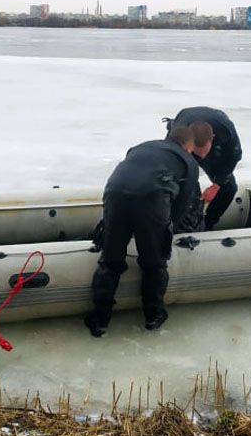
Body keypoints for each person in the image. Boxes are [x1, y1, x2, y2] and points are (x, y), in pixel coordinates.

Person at [85, 123, 213, 337]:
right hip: (152, 200)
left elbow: (128, 175)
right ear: (188, 146)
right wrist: (159, 232)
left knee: (110, 260)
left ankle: (100, 319)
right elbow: (179, 207)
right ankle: (154, 315)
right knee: (154, 263)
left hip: (115, 192)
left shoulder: (140, 147)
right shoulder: (189, 163)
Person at [165, 106, 242, 231]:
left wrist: (217, 185)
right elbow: (168, 158)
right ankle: (173, 224)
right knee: (185, 187)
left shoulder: (225, 131)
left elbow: (234, 156)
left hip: (215, 152)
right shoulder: (178, 134)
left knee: (229, 189)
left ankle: (209, 223)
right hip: (185, 149)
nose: (201, 156)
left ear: (212, 138)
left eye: (203, 152)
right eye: (197, 152)